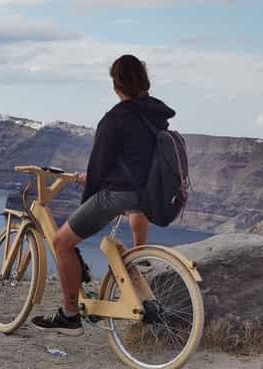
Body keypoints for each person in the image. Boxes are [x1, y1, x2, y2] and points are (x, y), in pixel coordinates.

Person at [30, 54, 176, 336]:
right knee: (111, 241)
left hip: (119, 194)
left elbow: (99, 166)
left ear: (116, 84)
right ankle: (137, 259)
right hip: (147, 195)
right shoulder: (156, 116)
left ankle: (70, 316)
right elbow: (139, 159)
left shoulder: (115, 118)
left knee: (62, 242)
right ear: (144, 80)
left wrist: (85, 202)